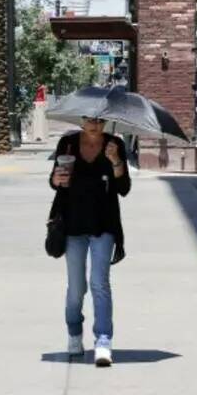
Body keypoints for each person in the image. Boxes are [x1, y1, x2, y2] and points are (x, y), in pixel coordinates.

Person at [49, 117, 131, 367]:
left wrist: (115, 160)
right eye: (89, 120)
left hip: (103, 224)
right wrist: (57, 180)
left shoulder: (115, 144)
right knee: (77, 288)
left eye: (99, 120)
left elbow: (124, 187)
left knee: (99, 283)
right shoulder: (68, 144)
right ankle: (74, 334)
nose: (95, 124)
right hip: (72, 225)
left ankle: (103, 341)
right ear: (81, 120)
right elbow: (53, 181)